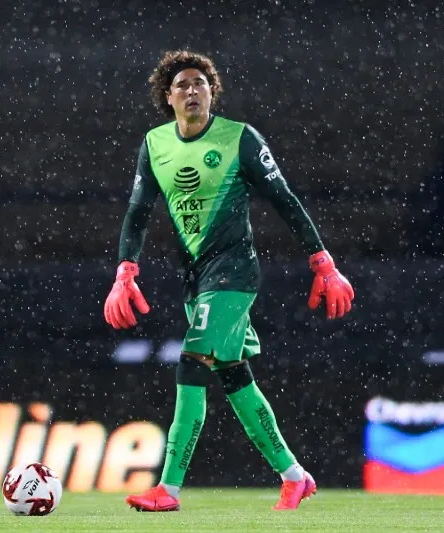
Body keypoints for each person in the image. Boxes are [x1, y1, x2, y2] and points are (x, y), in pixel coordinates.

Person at [103, 50, 354, 512]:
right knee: (234, 376)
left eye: (200, 83)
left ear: (212, 92)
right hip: (195, 277)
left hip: (234, 270)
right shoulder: (155, 143)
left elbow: (283, 198)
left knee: (191, 360)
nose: (192, 90)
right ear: (168, 97)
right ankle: (294, 476)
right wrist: (125, 271)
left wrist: (323, 261)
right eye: (182, 85)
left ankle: (168, 489)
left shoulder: (240, 138)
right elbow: (138, 211)